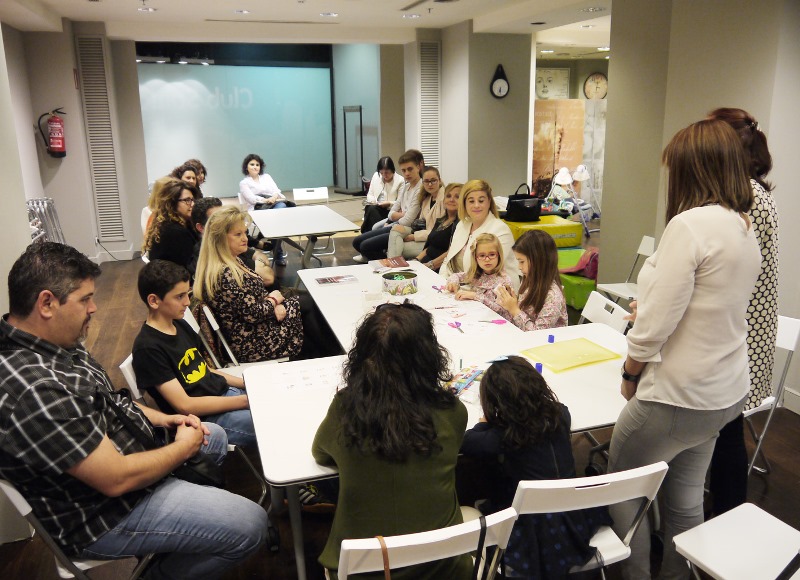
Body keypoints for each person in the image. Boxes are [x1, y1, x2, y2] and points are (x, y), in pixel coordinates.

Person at [0, 242, 268, 579]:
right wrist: (180, 447)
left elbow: (113, 402)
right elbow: (115, 479)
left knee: (212, 436)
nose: (94, 308)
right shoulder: (33, 387)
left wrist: (165, 418)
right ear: (47, 303)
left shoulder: (57, 345)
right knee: (251, 524)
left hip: (127, 465)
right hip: (105, 513)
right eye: (85, 299)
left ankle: (187, 531)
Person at [607, 119, 761, 579]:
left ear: (694, 169)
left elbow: (654, 328)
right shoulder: (742, 225)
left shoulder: (690, 225)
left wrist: (631, 373)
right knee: (686, 503)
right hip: (723, 394)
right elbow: (707, 306)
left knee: (623, 492)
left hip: (677, 395)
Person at [312, 301, 472, 579]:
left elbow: (321, 454)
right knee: (468, 509)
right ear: (429, 356)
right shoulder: (453, 412)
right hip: (444, 569)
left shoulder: (346, 409)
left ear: (361, 356)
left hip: (364, 569)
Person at [460, 356, 611, 577]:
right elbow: (562, 407)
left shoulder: (505, 435)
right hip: (574, 512)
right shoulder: (560, 415)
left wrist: (484, 423)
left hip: (533, 527)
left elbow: (467, 441)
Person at [706, 108, 780, 516]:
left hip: (740, 331)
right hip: (745, 329)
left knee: (727, 435)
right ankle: (725, 515)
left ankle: (726, 517)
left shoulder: (746, 199)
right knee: (727, 434)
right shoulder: (753, 193)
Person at [133, 260, 257, 448]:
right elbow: (185, 406)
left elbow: (206, 370)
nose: (188, 302)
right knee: (275, 420)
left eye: (187, 294)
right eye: (180, 296)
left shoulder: (179, 324)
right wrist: (245, 400)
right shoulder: (148, 348)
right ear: (154, 301)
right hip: (207, 418)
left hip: (225, 396)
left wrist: (247, 384)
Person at [194, 206, 303, 362]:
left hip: (257, 330)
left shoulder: (231, 261)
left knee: (307, 306)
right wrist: (274, 300)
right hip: (253, 343)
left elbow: (251, 299)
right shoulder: (225, 274)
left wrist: (274, 302)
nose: (245, 238)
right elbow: (253, 314)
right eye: (238, 234)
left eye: (245, 232)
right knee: (308, 308)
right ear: (220, 239)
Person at [439, 179, 521, 290]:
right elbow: (447, 261)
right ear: (464, 204)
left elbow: (487, 278)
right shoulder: (462, 225)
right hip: (461, 288)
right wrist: (443, 281)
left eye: (481, 201)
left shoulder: (500, 230)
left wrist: (457, 287)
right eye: (471, 201)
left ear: (489, 202)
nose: (476, 205)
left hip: (495, 296)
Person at [352, 149, 424, 263]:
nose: (407, 173)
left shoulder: (420, 189)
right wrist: (398, 216)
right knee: (356, 242)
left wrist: (395, 217)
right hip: (396, 224)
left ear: (418, 168)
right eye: (404, 170)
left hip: (405, 228)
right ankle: (384, 258)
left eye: (410, 169)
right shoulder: (406, 186)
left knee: (365, 246)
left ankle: (390, 264)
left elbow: (408, 221)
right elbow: (392, 212)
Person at [189, 196, 274, 286]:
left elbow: (258, 255)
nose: (226, 222)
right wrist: (260, 264)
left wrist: (258, 263)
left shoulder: (229, 243)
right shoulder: (212, 255)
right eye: (217, 219)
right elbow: (268, 278)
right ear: (201, 227)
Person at [496, 229, 567, 331]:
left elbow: (537, 334)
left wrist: (514, 309)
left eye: (522, 262)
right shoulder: (528, 281)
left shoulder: (553, 296)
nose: (519, 267)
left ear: (539, 260)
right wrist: (510, 302)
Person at [445, 233, 514, 319]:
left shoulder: (505, 281)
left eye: (492, 254)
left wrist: (476, 296)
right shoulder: (477, 274)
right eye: (482, 255)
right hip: (477, 316)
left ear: (499, 255)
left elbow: (503, 312)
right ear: (475, 258)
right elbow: (456, 276)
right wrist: (453, 283)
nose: (487, 259)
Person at [238, 153, 290, 266]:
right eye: (252, 164)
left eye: (257, 164)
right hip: (257, 210)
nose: (255, 166)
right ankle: (278, 255)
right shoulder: (244, 183)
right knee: (277, 222)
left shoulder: (267, 177)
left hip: (274, 205)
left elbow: (276, 190)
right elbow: (251, 199)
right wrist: (266, 200)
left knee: (281, 208)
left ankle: (265, 234)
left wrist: (274, 197)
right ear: (246, 167)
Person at [387, 166, 445, 259]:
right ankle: (394, 265)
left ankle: (393, 267)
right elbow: (421, 222)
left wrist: (414, 237)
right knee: (395, 229)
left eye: (433, 180)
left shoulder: (444, 200)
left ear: (440, 181)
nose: (430, 184)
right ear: (423, 183)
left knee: (396, 248)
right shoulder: (426, 199)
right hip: (423, 234)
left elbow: (439, 232)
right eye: (426, 181)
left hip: (434, 242)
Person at [143, 178, 200, 270]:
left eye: (193, 200)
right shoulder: (174, 231)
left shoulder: (175, 223)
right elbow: (188, 268)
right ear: (172, 203)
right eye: (187, 200)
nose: (192, 204)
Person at [415, 182, 462, 271]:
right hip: (426, 264)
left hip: (440, 269)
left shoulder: (461, 225)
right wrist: (416, 260)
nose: (451, 199)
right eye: (448, 196)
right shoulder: (440, 220)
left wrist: (430, 266)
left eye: (457, 197)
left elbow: (451, 253)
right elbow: (430, 246)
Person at [361, 156, 404, 233]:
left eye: (387, 173)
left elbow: (401, 202)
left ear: (393, 170)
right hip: (376, 207)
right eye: (381, 173)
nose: (384, 175)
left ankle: (368, 233)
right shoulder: (376, 176)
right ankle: (372, 234)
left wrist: (389, 203)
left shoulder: (400, 180)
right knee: (370, 208)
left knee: (371, 210)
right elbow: (370, 194)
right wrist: (374, 202)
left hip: (390, 210)